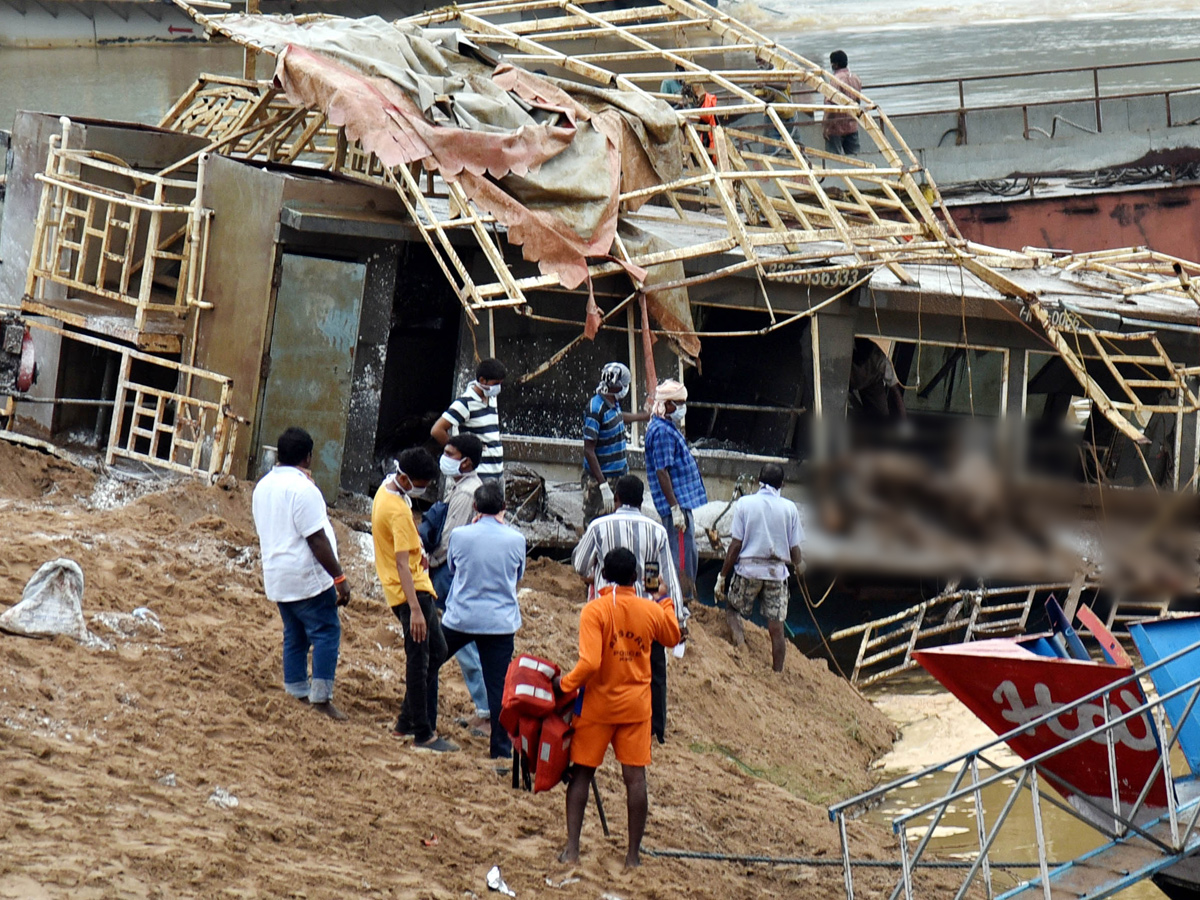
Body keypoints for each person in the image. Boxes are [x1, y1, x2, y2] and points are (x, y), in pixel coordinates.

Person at [556, 548, 681, 868]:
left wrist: (564, 685)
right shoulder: (649, 609)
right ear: (636, 577)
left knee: (581, 774)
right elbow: (673, 636)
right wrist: (661, 597)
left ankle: (572, 850)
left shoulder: (594, 611)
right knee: (635, 780)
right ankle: (633, 856)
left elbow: (590, 663)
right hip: (636, 708)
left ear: (605, 575)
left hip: (597, 706)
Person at [573, 474, 686, 744]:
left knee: (603, 665)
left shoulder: (599, 526)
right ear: (641, 500)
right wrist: (678, 617)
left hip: (607, 609)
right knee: (654, 670)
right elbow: (666, 577)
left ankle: (600, 721)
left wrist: (595, 571)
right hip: (646, 614)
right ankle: (655, 729)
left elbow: (579, 565)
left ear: (617, 499)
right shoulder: (656, 530)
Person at [251, 427, 351, 721]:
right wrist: (340, 579)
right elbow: (317, 539)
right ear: (308, 457)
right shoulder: (304, 490)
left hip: (277, 574)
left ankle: (295, 688)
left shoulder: (263, 485)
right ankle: (321, 699)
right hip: (306, 577)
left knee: (294, 634)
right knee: (326, 632)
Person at [372, 447, 456, 753]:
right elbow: (401, 564)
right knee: (420, 661)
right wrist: (416, 610)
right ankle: (423, 733)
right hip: (411, 594)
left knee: (437, 651)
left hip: (406, 591)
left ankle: (406, 722)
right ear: (406, 478)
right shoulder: (397, 510)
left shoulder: (387, 491)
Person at [438, 481, 526, 760]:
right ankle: (500, 751)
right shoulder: (516, 539)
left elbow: (452, 567)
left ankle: (421, 723)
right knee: (499, 685)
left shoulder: (461, 535)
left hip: (461, 617)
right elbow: (518, 575)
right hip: (499, 621)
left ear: (475, 507)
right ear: (504, 507)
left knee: (428, 664)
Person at [429, 433, 491, 737]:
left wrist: (429, 562)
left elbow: (448, 541)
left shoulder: (466, 493)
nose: (446, 457)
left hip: (451, 575)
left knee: (464, 645)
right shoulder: (464, 487)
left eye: (450, 453)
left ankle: (488, 712)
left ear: (465, 461)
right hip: (460, 574)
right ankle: (486, 709)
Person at [716, 463, 805, 672]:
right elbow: (795, 549)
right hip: (776, 573)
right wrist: (800, 565)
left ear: (758, 481)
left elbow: (736, 545)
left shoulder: (745, 504)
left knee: (732, 609)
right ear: (782, 484)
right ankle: (778, 672)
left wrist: (722, 575)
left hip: (748, 570)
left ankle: (741, 649)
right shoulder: (790, 508)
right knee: (776, 627)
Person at [643, 379, 707, 604]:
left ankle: (681, 596)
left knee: (687, 552)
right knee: (680, 555)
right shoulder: (661, 431)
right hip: (676, 505)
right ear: (667, 405)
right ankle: (681, 599)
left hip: (680, 503)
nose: (682, 408)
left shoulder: (666, 427)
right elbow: (662, 471)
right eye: (679, 403)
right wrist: (675, 507)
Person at [582, 362, 649, 527]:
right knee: (596, 523)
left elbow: (618, 417)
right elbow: (589, 450)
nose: (626, 388)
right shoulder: (595, 409)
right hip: (600, 479)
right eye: (625, 385)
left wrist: (644, 416)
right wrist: (603, 485)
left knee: (616, 524)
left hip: (618, 475)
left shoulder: (612, 403)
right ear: (617, 387)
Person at [432, 358, 507, 482]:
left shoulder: (492, 399)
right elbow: (437, 430)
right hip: (480, 474)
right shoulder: (465, 403)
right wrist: (457, 452)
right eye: (495, 384)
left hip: (498, 471)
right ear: (482, 380)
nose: (498, 388)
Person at [849, 337, 906, 421]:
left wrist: (904, 421)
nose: (861, 362)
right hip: (847, 382)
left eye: (863, 360)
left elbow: (896, 391)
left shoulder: (880, 358)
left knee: (881, 417)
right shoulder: (845, 355)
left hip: (872, 383)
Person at [823, 49, 863, 157]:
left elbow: (830, 105)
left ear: (835, 65)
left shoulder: (835, 80)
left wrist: (826, 126)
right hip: (852, 124)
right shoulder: (856, 78)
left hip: (836, 126)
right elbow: (858, 101)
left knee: (833, 158)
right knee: (855, 157)